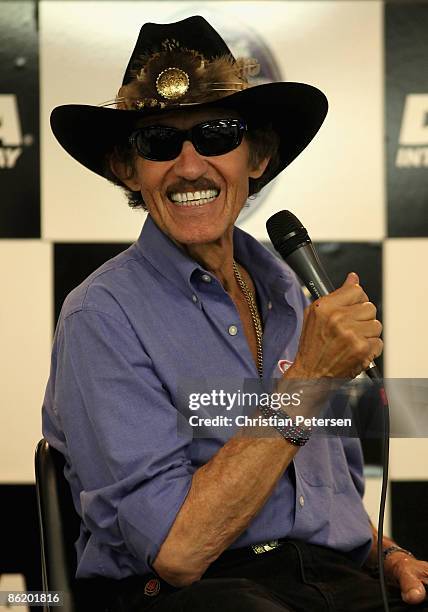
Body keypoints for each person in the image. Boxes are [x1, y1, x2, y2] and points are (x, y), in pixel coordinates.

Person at [42, 15, 428, 612]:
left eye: (217, 134)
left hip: (329, 584)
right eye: (158, 142)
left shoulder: (297, 296)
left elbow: (326, 511)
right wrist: (305, 383)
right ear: (129, 169)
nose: (190, 165)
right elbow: (176, 551)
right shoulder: (100, 315)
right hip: (198, 595)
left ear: (258, 156)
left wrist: (392, 557)